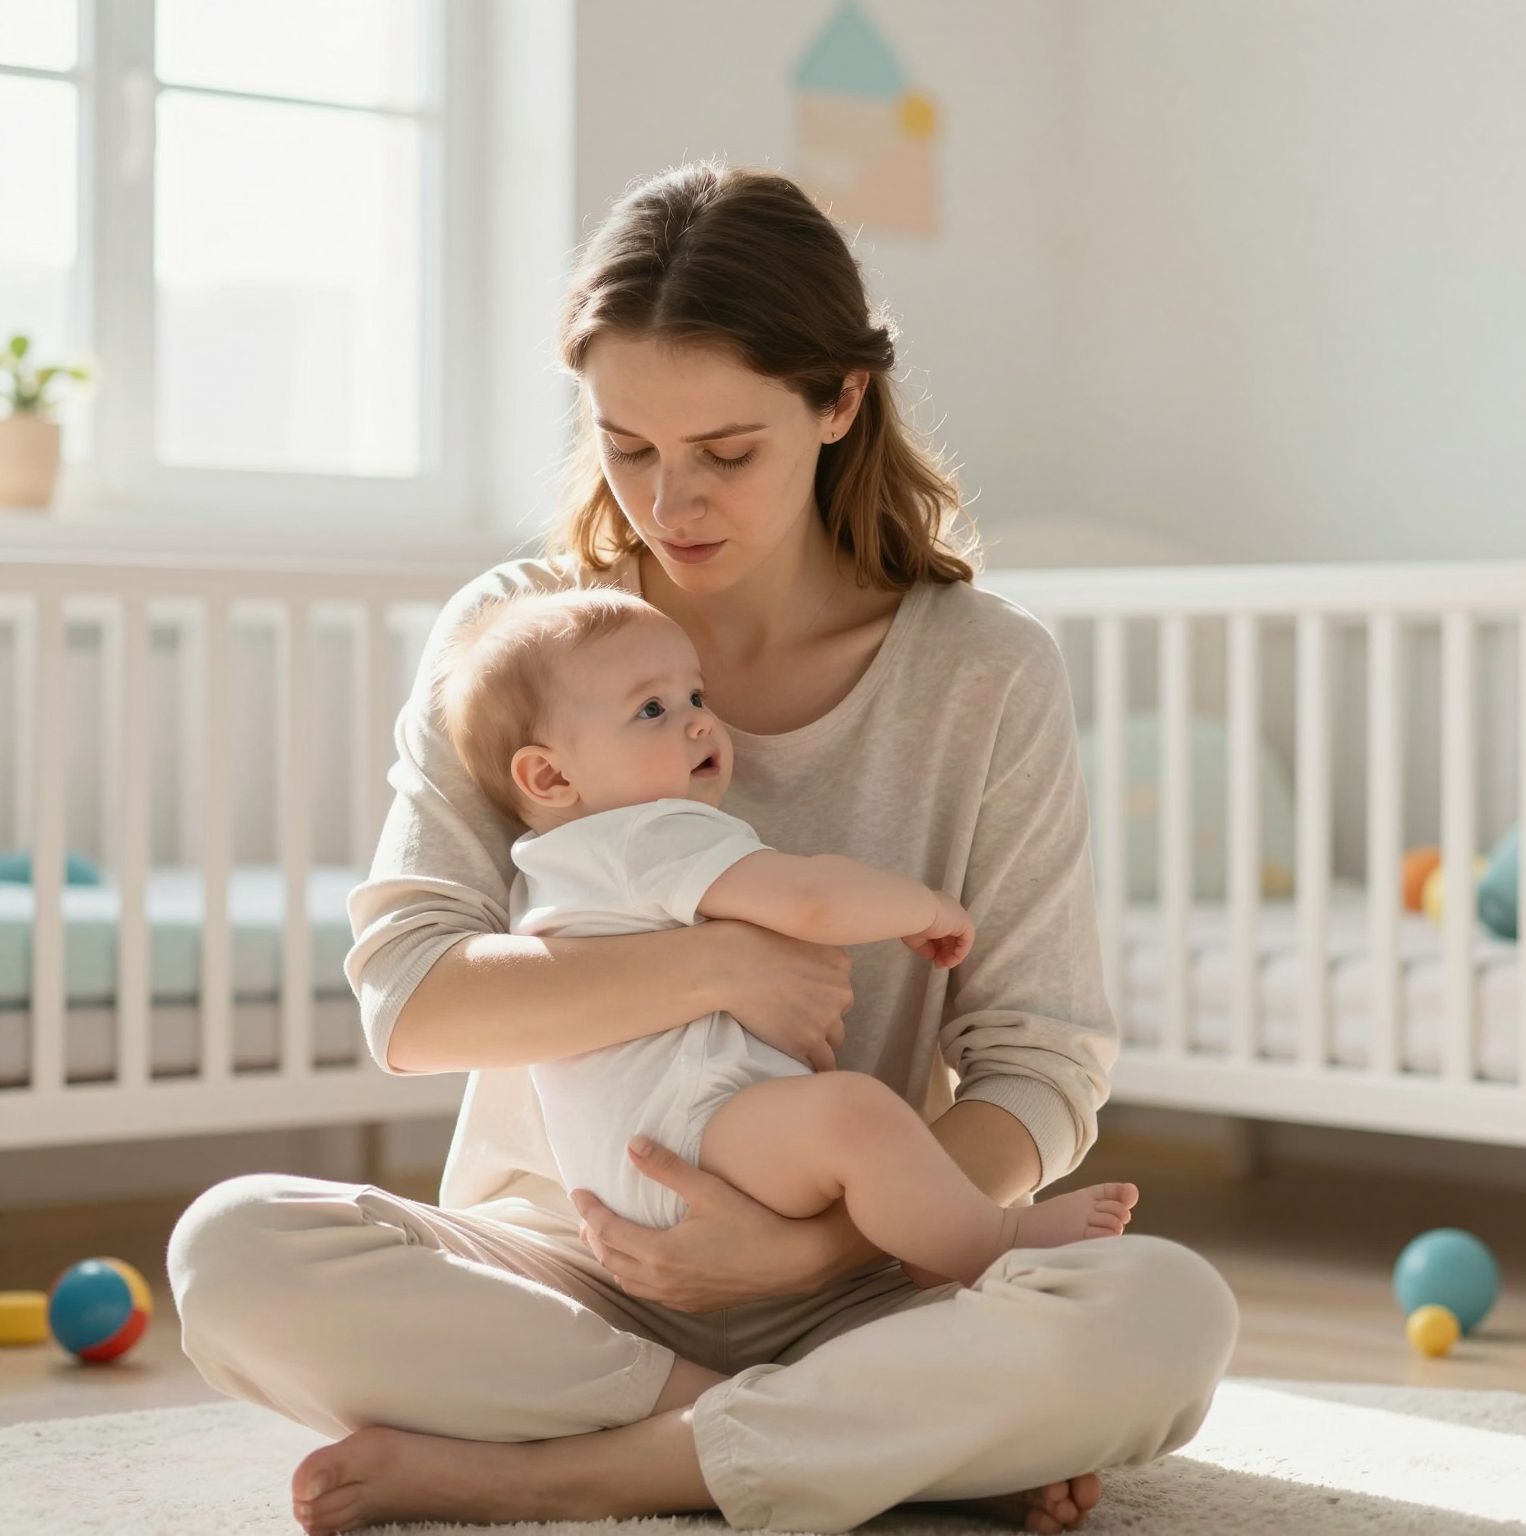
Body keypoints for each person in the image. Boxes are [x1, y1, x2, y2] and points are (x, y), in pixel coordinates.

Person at [166, 160, 1237, 1536]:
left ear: (840, 402)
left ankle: (572, 1473)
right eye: (627, 446)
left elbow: (1040, 1061)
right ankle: (844, 1439)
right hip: (565, 1272)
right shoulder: (516, 639)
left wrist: (811, 1247)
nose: (670, 503)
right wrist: (720, 966)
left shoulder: (985, 670)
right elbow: (415, 1003)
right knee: (235, 1251)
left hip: (866, 1278)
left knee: (1167, 1314)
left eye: (726, 454)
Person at [436, 583, 1141, 1278]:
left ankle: (926, 1244)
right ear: (549, 777)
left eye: (696, 696)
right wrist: (925, 909)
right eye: (652, 709)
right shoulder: (645, 834)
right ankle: (979, 1238)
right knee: (859, 1116)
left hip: (640, 1166)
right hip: (689, 1140)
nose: (699, 724)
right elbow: (808, 900)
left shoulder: (559, 864)